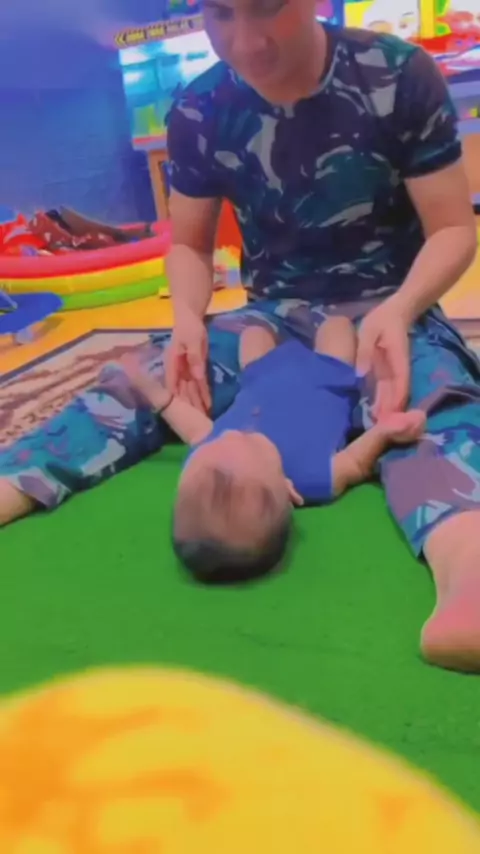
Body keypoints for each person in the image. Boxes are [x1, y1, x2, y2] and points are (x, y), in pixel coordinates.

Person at [0, 4, 478, 672]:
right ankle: (12, 483)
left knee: (430, 399)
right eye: (221, 14)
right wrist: (187, 320)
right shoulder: (200, 107)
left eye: (268, 7)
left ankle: (469, 582)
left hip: (387, 306)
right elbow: (189, 246)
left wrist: (401, 311)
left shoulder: (397, 73)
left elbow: (453, 228)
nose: (246, 43)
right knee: (146, 377)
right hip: (270, 319)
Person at [121, 317, 425, 584]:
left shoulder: (213, 453)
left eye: (221, 438)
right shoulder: (311, 479)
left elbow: (196, 430)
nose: (234, 433)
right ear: (289, 490)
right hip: (327, 375)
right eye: (252, 442)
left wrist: (155, 394)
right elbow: (355, 462)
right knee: (337, 326)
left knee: (253, 333)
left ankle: (286, 321)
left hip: (261, 375)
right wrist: (384, 433)